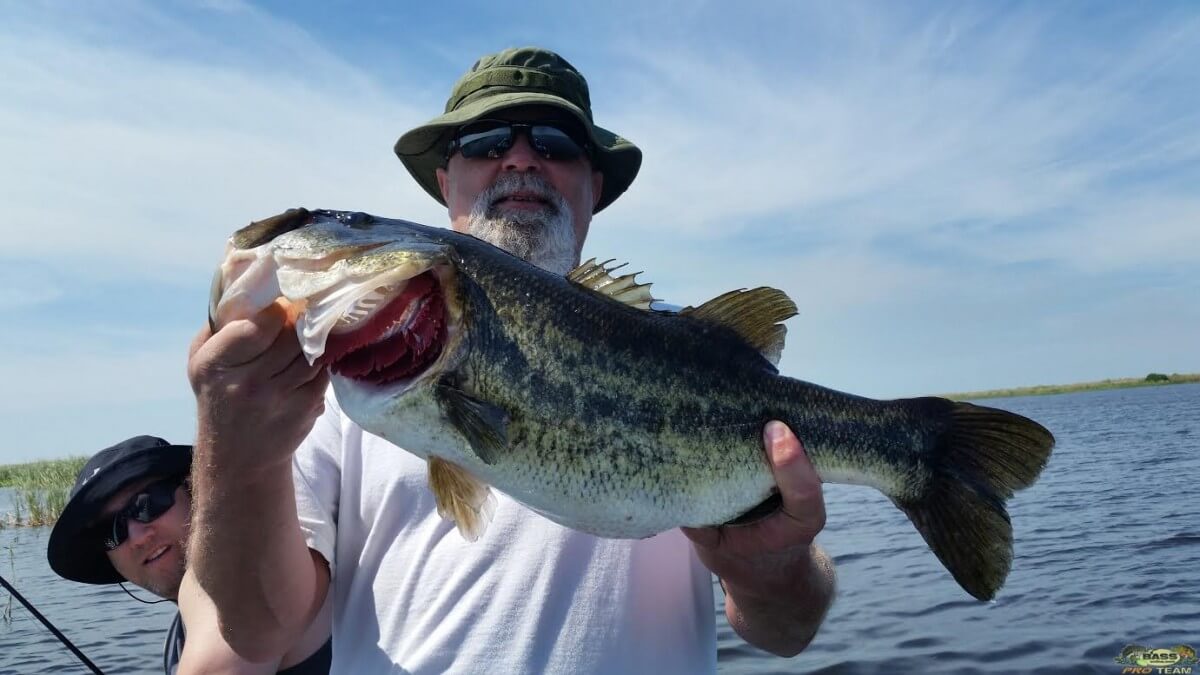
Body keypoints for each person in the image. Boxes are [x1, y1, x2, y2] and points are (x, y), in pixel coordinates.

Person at [186, 47, 836, 674]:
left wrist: (772, 567)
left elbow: (787, 632)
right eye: (487, 141)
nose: (520, 159)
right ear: (447, 181)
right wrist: (238, 452)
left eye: (554, 145)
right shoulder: (312, 387)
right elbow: (254, 637)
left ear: (594, 185)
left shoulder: (685, 351)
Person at [46, 435, 332, 674]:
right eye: (109, 531)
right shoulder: (179, 638)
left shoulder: (246, 572)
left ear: (195, 491)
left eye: (148, 504)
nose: (137, 536)